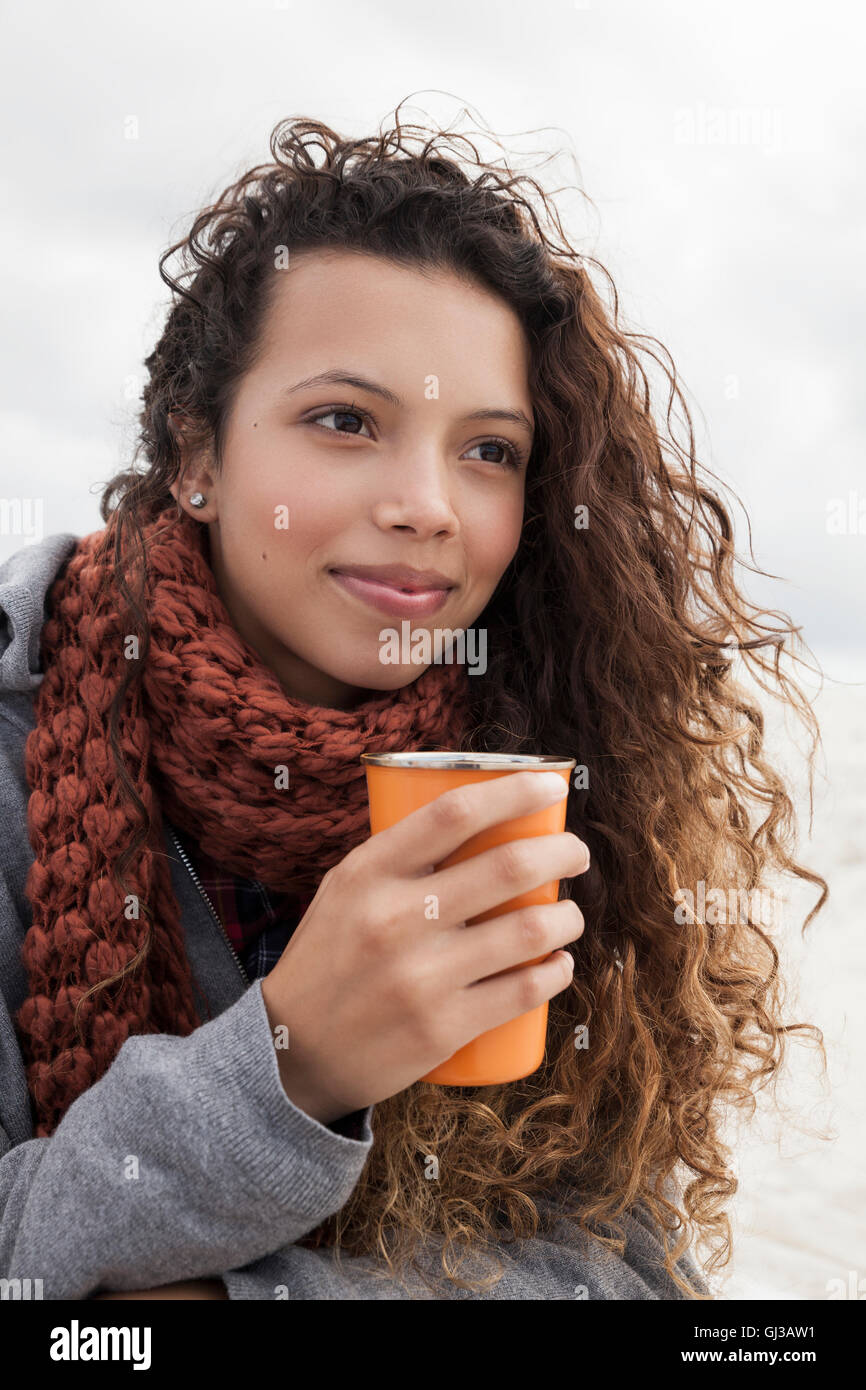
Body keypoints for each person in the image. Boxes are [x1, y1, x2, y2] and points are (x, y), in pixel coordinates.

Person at [0, 105, 827, 1301]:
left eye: (487, 449)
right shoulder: (18, 749)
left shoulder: (548, 752)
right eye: (345, 421)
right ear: (196, 453)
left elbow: (627, 1268)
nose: (428, 504)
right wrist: (289, 1060)